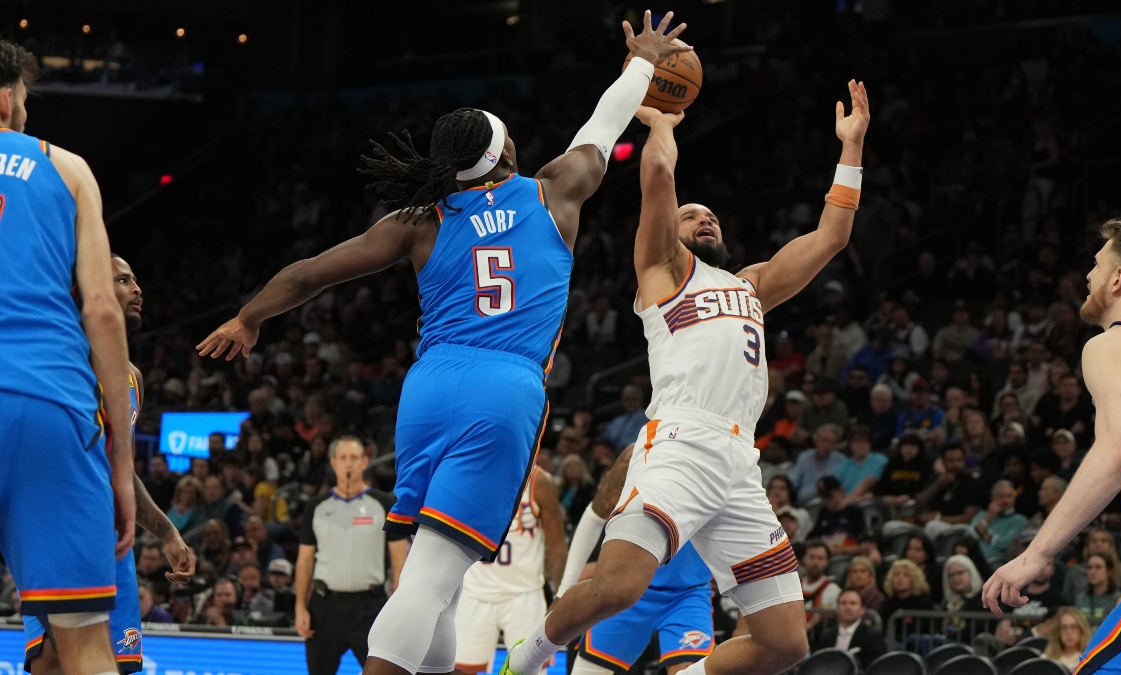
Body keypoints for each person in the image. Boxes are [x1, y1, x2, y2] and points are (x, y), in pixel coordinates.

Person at [202, 16, 689, 675]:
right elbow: (605, 122)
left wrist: (247, 318)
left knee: (445, 582)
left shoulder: (420, 220)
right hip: (503, 386)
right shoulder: (554, 191)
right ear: (505, 151)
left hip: (430, 382)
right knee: (432, 577)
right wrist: (643, 62)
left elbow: (311, 272)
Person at [503, 79, 869, 675]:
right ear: (669, 231)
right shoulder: (662, 271)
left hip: (739, 461)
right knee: (619, 586)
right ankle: (527, 658)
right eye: (691, 215)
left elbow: (833, 236)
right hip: (680, 443)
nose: (705, 219)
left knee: (784, 643)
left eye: (712, 216)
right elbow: (657, 178)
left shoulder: (752, 284)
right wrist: (662, 126)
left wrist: (851, 146)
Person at [0, 40, 134, 675]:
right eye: (26, 100)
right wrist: (121, 460)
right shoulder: (69, 169)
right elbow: (103, 310)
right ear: (6, 100)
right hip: (49, 402)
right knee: (83, 645)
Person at [24, 255, 197, 675]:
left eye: (135, 279)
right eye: (122, 280)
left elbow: (122, 470)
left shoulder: (133, 378)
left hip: (111, 539)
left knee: (113, 663)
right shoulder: (54, 361)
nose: (137, 289)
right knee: (54, 660)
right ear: (89, 291)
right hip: (57, 530)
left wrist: (167, 532)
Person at [557, 447, 717, 675]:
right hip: (627, 588)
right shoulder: (639, 452)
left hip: (687, 593)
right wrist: (562, 592)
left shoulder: (725, 456)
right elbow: (595, 516)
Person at [294, 437, 409, 675]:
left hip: (369, 607)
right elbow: (305, 561)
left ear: (365, 462)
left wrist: (397, 608)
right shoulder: (316, 506)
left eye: (354, 458)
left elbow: (400, 560)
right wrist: (300, 607)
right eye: (343, 458)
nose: (349, 463)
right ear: (333, 463)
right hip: (324, 607)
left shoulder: (384, 503)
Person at [453, 466, 566, 674]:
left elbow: (557, 545)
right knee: (460, 669)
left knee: (531, 669)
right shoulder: (467, 473)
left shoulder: (539, 481)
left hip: (525, 594)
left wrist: (560, 595)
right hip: (474, 591)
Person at [914, 444, 987, 535]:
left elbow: (970, 517)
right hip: (933, 525)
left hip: (959, 529)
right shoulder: (936, 480)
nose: (955, 464)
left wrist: (938, 519)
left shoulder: (973, 482)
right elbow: (917, 506)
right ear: (943, 462)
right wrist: (937, 486)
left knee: (932, 526)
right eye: (951, 461)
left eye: (959, 460)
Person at [813, 589, 888, 668]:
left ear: (862, 609)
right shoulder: (826, 636)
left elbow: (875, 667)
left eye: (853, 603)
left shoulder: (873, 637)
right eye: (843, 603)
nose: (848, 607)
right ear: (837, 608)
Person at [967, 480, 1029, 561]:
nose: (1006, 500)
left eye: (1010, 496)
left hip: (997, 561)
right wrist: (989, 517)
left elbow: (1004, 544)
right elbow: (968, 538)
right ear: (993, 498)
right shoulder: (981, 515)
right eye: (1001, 496)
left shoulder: (1019, 520)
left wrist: (985, 535)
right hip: (971, 559)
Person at [790, 424, 848, 504]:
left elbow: (844, 486)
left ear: (836, 445)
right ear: (816, 440)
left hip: (828, 503)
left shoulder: (841, 460)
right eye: (823, 440)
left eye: (831, 442)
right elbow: (793, 481)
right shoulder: (804, 457)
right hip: (802, 502)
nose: (826, 445)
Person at [875, 434, 933, 507]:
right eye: (905, 446)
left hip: (914, 500)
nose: (908, 449)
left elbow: (927, 487)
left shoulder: (925, 465)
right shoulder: (892, 463)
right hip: (892, 499)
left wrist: (910, 496)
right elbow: (883, 484)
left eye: (912, 446)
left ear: (919, 449)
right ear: (900, 447)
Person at [811, 477, 865, 555]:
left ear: (840, 491)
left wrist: (842, 550)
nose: (826, 500)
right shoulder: (823, 513)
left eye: (829, 496)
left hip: (850, 555)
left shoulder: (853, 511)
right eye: (823, 497)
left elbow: (864, 544)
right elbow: (814, 538)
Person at [834, 426, 888, 503]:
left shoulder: (879, 460)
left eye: (864, 442)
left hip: (867, 501)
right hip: (844, 501)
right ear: (850, 445)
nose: (860, 445)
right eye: (856, 442)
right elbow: (836, 486)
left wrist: (847, 501)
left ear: (870, 444)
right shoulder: (845, 464)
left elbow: (870, 481)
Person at [879, 560, 934, 630]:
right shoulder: (888, 603)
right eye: (896, 574)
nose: (900, 578)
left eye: (906, 575)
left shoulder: (923, 602)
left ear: (914, 579)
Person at [800, 542, 842, 626]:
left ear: (827, 562)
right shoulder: (792, 586)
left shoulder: (833, 591)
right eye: (812, 557)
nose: (815, 562)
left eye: (820, 558)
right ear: (804, 559)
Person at [1074, 551, 1119, 624]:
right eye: (1089, 567)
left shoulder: (1117, 599)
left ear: (1109, 571)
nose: (1092, 571)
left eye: (1098, 567)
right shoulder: (1081, 599)